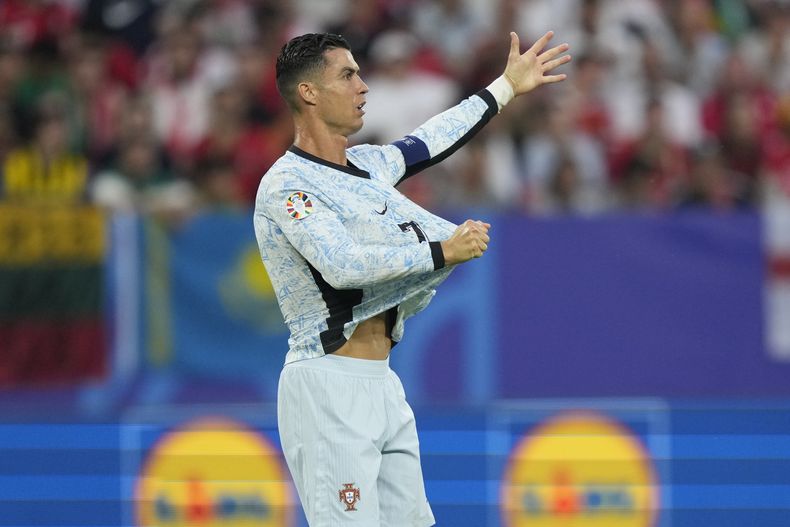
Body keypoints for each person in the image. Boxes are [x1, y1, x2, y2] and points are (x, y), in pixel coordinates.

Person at [253, 31, 570, 526]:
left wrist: (506, 86)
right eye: (348, 74)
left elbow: (433, 137)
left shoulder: (368, 165)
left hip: (382, 382)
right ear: (308, 93)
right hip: (327, 383)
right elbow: (342, 265)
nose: (363, 86)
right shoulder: (287, 185)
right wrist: (443, 250)